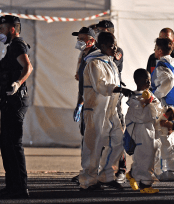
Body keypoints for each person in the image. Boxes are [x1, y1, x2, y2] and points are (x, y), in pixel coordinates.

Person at [79, 31, 133, 190]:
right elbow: (101, 86)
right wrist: (120, 89)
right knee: (93, 146)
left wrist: (121, 92)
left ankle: (106, 176)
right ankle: (89, 181)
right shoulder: (94, 64)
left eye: (115, 45)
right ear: (101, 46)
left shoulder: (110, 63)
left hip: (110, 110)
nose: (115, 48)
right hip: (96, 110)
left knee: (118, 141)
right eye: (111, 46)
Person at [0, 15, 33, 198]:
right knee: (7, 144)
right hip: (9, 101)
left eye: (2, 29)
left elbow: (27, 67)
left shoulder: (17, 45)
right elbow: (14, 67)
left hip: (15, 101)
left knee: (13, 144)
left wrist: (17, 83)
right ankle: (12, 186)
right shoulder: (12, 47)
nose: (0, 33)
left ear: (12, 29)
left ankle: (20, 188)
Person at [151, 38, 174, 181]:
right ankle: (171, 168)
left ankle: (173, 170)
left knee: (165, 138)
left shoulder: (162, 66)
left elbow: (168, 81)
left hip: (167, 107)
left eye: (155, 48)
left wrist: (155, 96)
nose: (154, 51)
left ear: (159, 50)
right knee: (170, 138)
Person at [95, 20, 127, 183]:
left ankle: (119, 169)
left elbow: (109, 79)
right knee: (99, 139)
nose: (96, 33)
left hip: (114, 102)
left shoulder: (114, 52)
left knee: (118, 136)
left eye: (99, 31)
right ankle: (100, 171)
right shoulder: (95, 54)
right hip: (100, 103)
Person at [125, 68, 161, 194]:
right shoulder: (134, 98)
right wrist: (145, 104)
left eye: (150, 80)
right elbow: (138, 116)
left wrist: (154, 104)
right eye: (146, 80)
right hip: (141, 131)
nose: (149, 83)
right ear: (138, 82)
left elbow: (158, 109)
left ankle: (133, 174)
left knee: (148, 155)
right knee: (145, 156)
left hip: (151, 130)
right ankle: (145, 184)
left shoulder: (151, 95)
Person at [71, 27, 98, 184]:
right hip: (84, 99)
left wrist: (81, 103)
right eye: (78, 39)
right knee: (86, 137)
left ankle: (92, 172)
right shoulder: (84, 54)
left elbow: (91, 84)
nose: (79, 42)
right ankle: (86, 170)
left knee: (92, 139)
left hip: (92, 102)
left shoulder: (95, 57)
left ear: (91, 41)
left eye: (82, 39)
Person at [146, 28, 174, 104]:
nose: (163, 41)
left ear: (173, 41)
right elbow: (148, 80)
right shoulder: (153, 58)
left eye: (166, 39)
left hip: (172, 106)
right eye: (161, 39)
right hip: (155, 104)